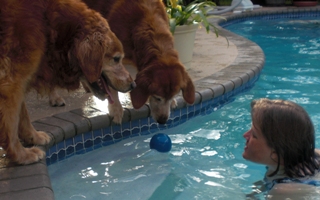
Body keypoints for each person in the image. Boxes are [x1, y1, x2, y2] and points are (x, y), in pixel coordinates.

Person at [243, 98, 320, 198]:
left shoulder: (282, 191)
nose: (245, 135)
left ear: (275, 154)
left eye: (254, 135)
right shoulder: (311, 154)